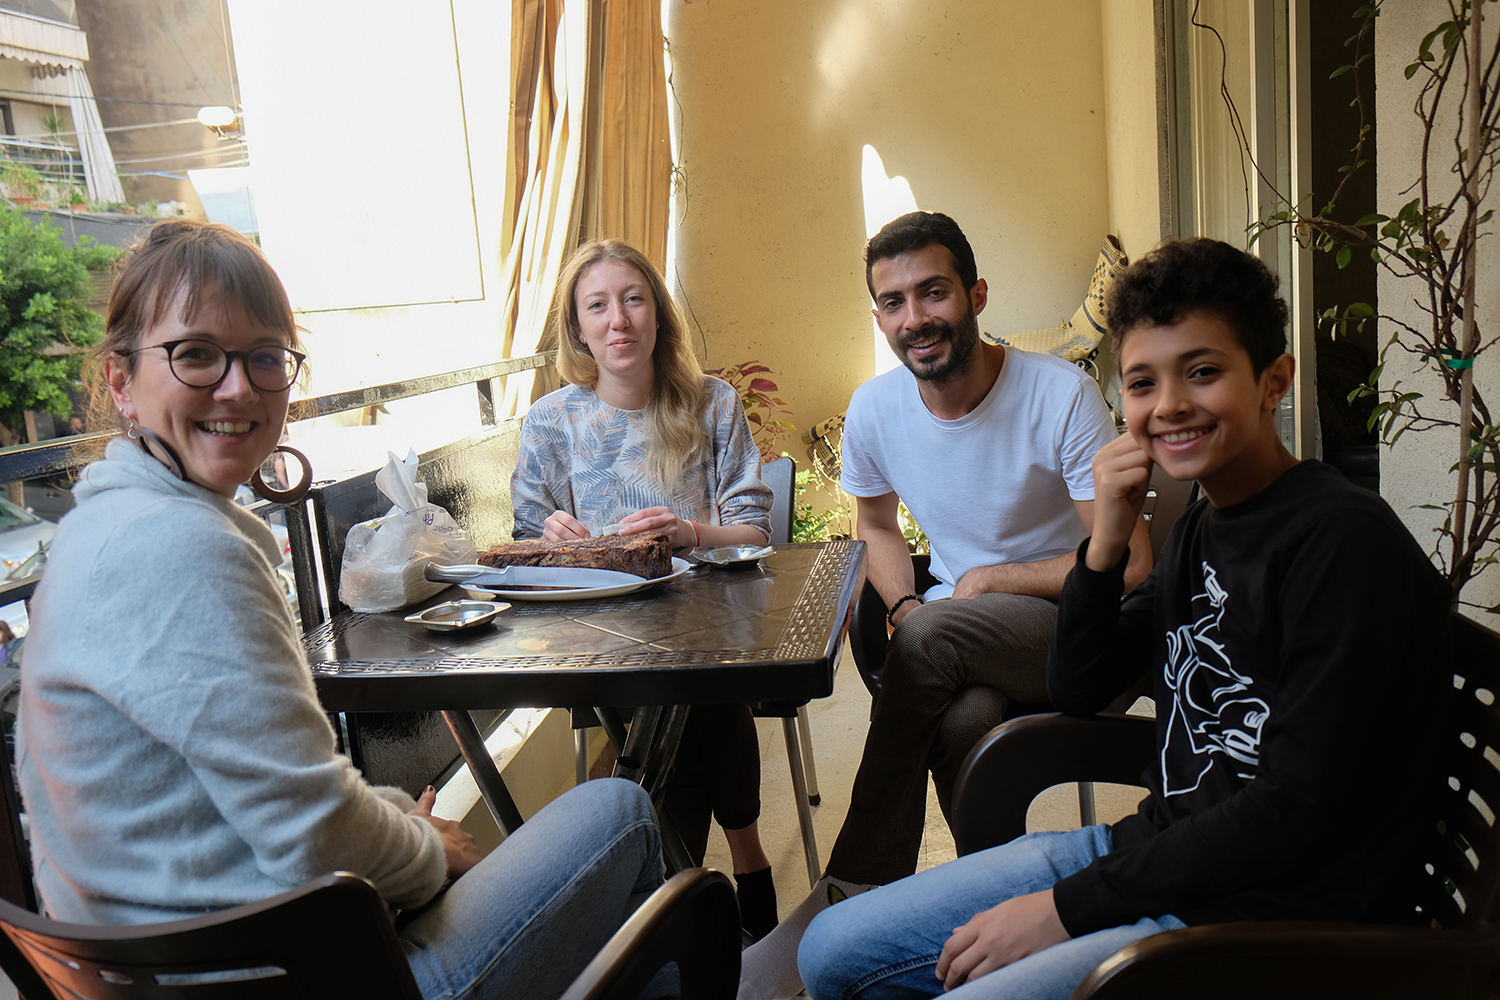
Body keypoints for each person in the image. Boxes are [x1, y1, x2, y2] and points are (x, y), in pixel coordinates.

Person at [17, 220, 664, 1000]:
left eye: (264, 357)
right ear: (121, 380)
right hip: (282, 972)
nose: (239, 387)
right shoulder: (182, 547)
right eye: (195, 354)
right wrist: (426, 848)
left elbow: (279, 794)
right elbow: (311, 834)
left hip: (172, 961)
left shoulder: (95, 528)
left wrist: (398, 823)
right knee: (622, 811)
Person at [796, 238, 1453, 1000]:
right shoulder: (1208, 528)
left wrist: (1064, 912)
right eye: (1143, 382)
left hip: (1261, 918)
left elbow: (1291, 811)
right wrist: (1103, 546)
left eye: (1202, 372)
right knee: (829, 950)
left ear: (1274, 380)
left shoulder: (1341, 544)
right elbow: (1079, 686)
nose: (1169, 403)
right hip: (1158, 854)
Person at [738, 211, 1151, 999]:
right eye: (893, 302)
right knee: (960, 715)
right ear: (879, 317)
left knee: (932, 639)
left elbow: (1128, 563)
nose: (915, 318)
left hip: (1074, 632)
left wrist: (990, 583)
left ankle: (854, 885)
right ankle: (989, 913)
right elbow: (874, 525)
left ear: (976, 295)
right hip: (954, 638)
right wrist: (901, 608)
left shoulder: (1058, 396)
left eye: (933, 293)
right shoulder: (876, 408)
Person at [510, 238, 780, 939]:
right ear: (577, 328)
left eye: (632, 299)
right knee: (692, 699)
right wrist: (554, 540)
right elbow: (524, 547)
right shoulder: (550, 420)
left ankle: (677, 898)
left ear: (658, 314)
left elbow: (754, 533)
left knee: (693, 688)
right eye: (597, 305)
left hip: (704, 629)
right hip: (597, 641)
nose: (617, 320)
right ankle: (742, 872)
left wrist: (692, 533)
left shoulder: (712, 403)